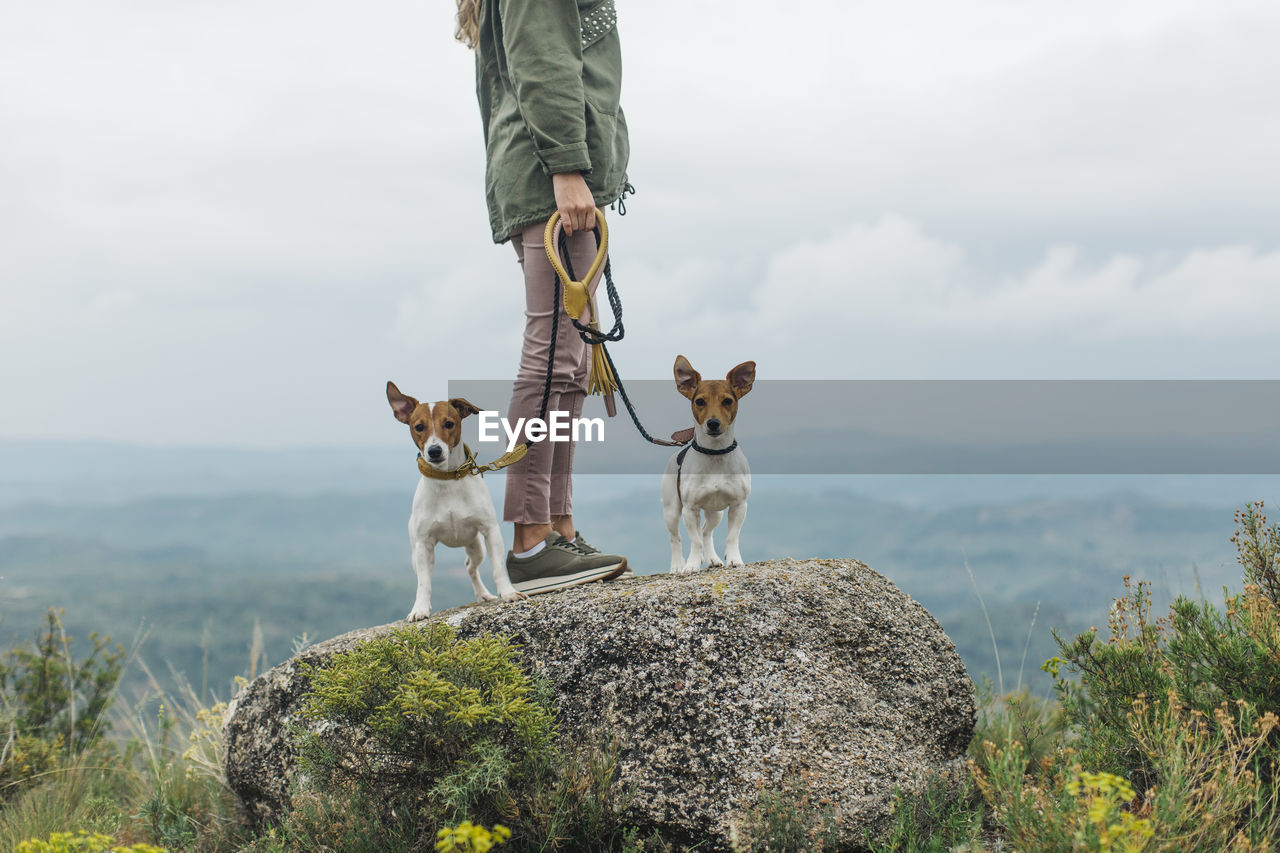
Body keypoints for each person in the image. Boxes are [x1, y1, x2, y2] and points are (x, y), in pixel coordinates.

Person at [456, 0, 633, 592]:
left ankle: (557, 527)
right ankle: (532, 541)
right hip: (549, 175)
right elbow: (540, 62)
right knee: (554, 354)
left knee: (573, 360)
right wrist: (567, 167)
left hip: (547, 172)